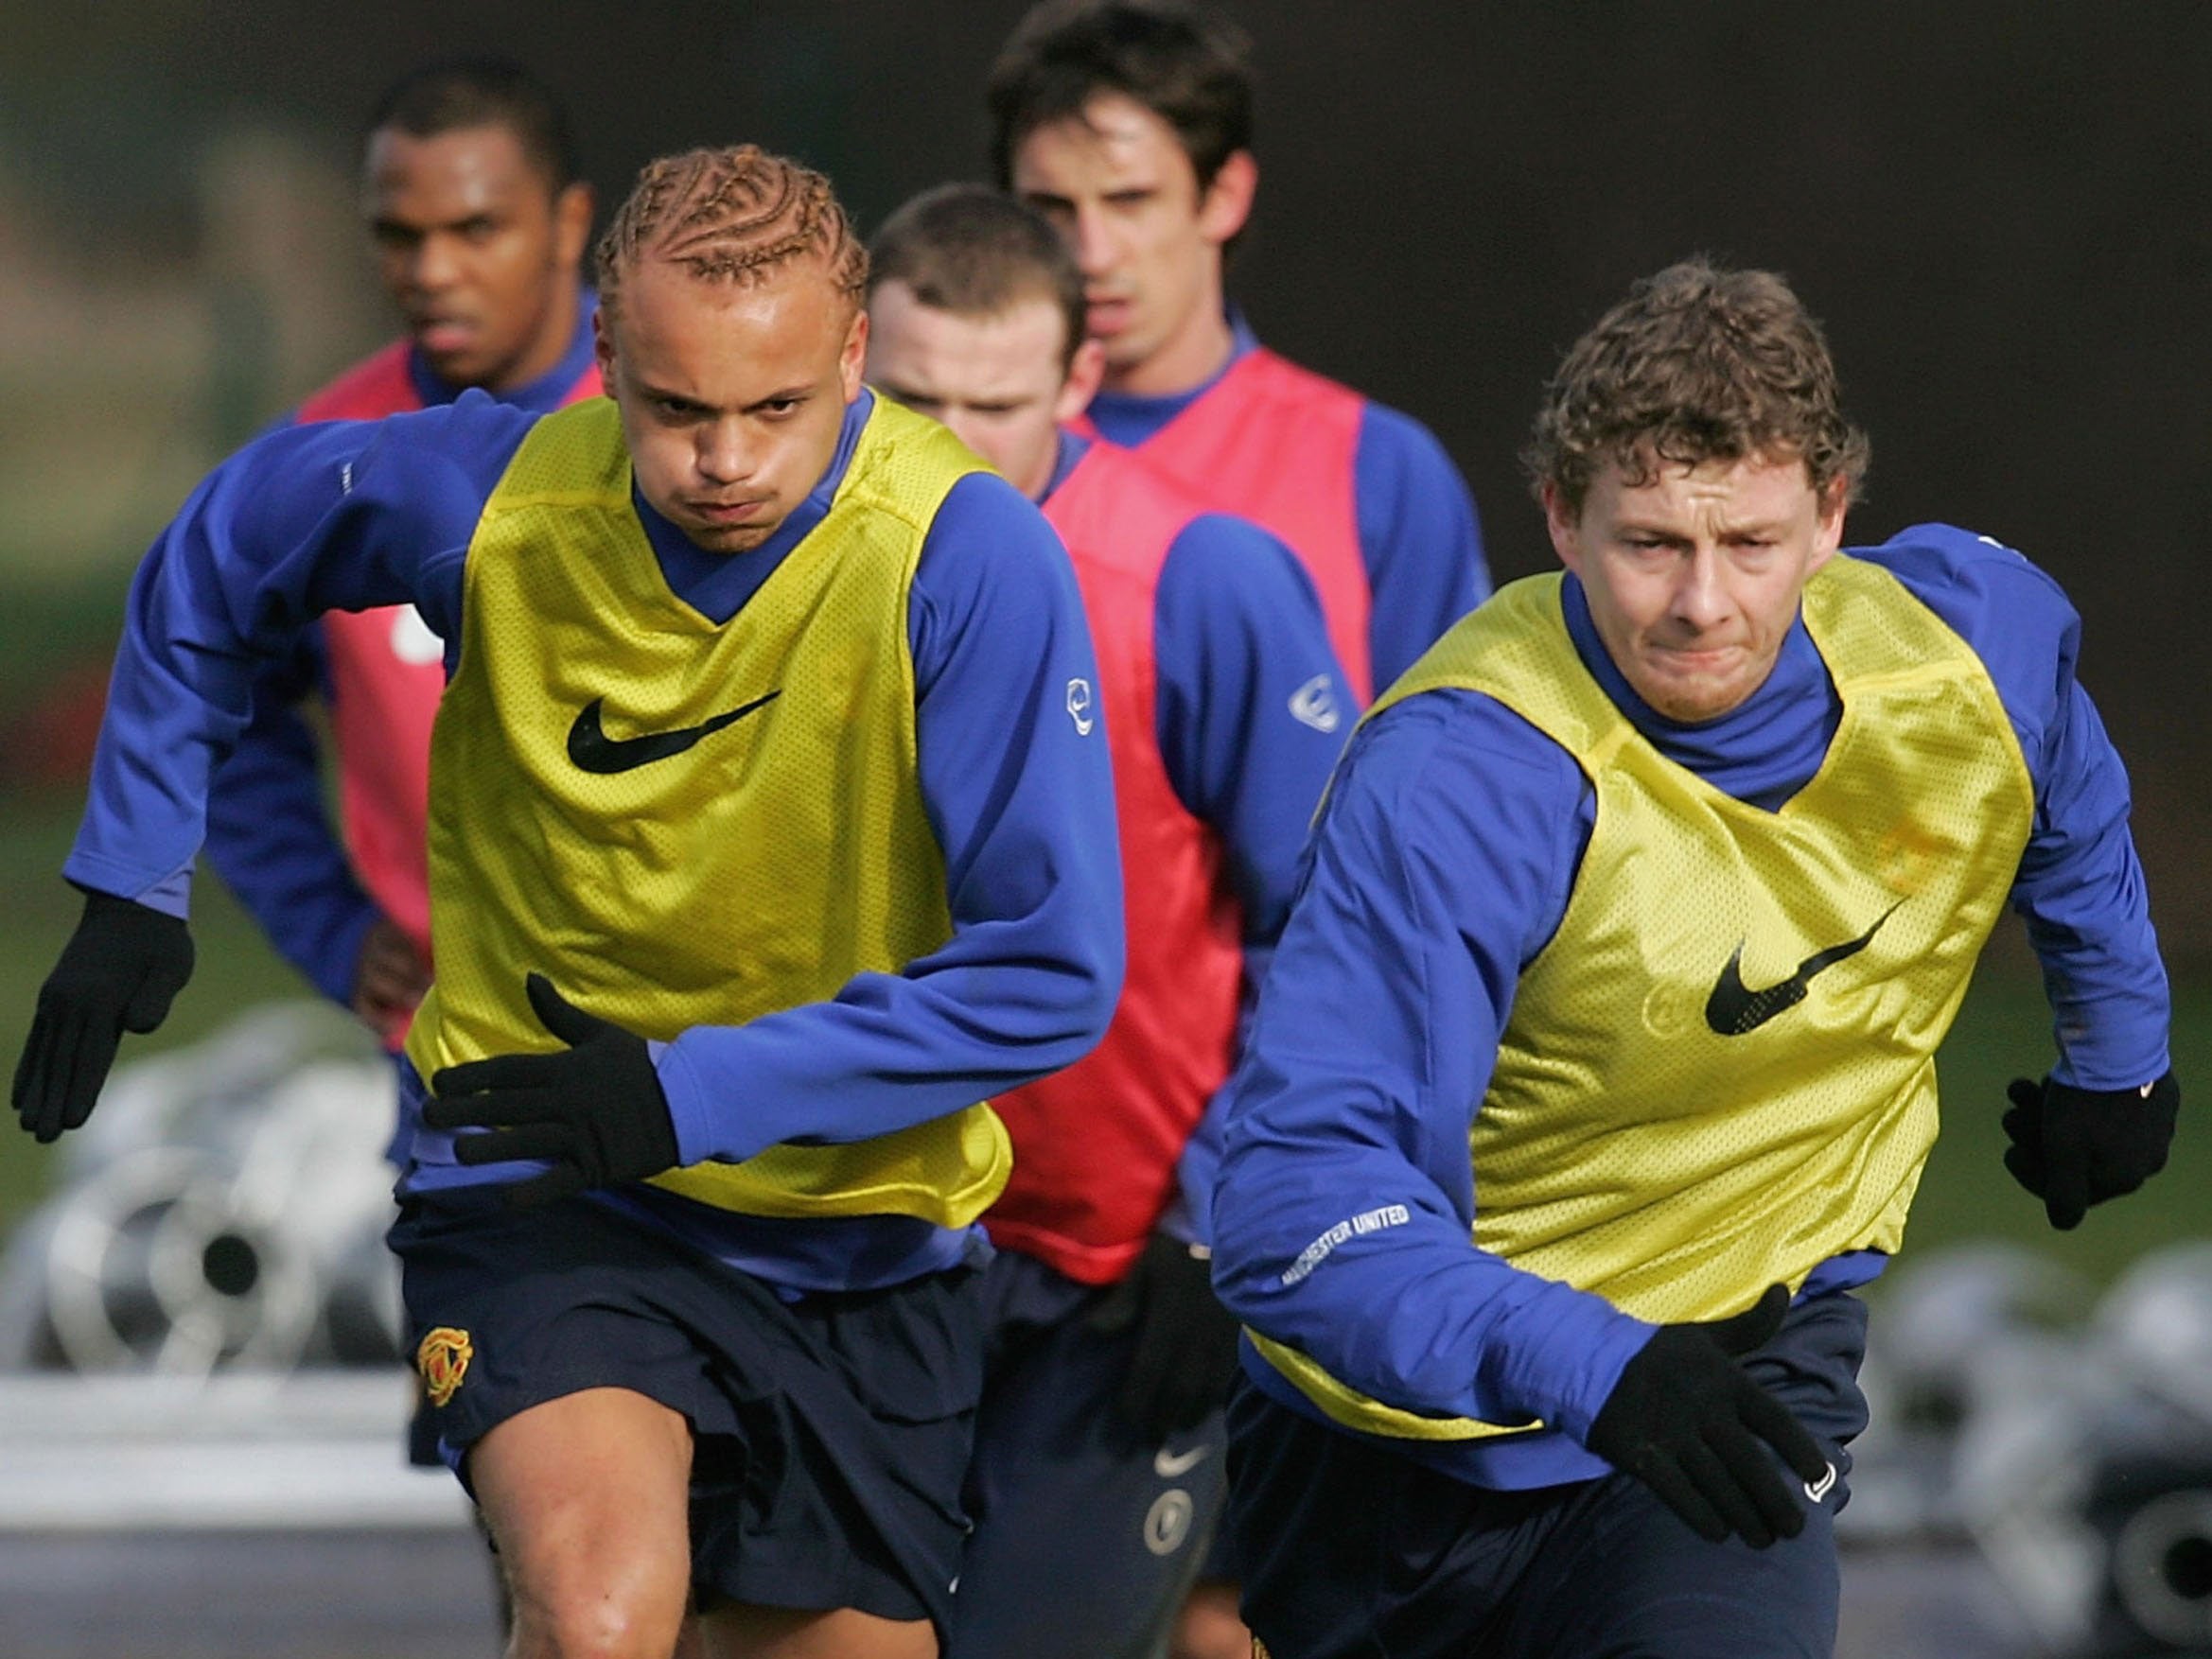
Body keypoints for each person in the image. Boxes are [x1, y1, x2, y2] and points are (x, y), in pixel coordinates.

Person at [12, 144, 1124, 1659]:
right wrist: (134, 875)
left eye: (776, 409)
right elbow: (219, 554)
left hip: (858, 1237)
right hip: (544, 1179)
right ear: (606, 362)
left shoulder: (966, 555)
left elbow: (1051, 972)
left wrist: (687, 1092)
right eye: (676, 411)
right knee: (602, 1614)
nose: (726, 460)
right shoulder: (483, 495)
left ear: (856, 356)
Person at [1203, 257, 2181, 1659]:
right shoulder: (1463, 779)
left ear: (1832, 515)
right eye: (1650, 541)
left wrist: (2117, 1055)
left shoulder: (1969, 648)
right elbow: (1293, 1210)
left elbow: (2067, 792)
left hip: (1746, 1371)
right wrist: (1594, 1362)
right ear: (1560, 516)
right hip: (1400, 1447)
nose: (1700, 604)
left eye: (1752, 543)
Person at [863, 183, 1347, 1659]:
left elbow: (1332, 935)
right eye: (905, 398)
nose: (944, 443)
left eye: (991, 402)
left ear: (1078, 380)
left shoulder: (1202, 583)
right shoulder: (776, 572)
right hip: (857, 1249)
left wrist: (1221, 1223)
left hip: (1116, 1269)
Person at [202, 56, 599, 1052]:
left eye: (475, 229)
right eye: (398, 234)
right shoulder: (323, 459)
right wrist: (329, 927)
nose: (430, 272)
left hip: (709, 1043)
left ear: (568, 222)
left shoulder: (697, 416)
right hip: (453, 1056)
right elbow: (217, 702)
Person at [988, 0, 1490, 708]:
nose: (1091, 254)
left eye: (1131, 200)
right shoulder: (949, 447)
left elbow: (1445, 768)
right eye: (1053, 209)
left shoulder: (1378, 469)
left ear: (1224, 195)